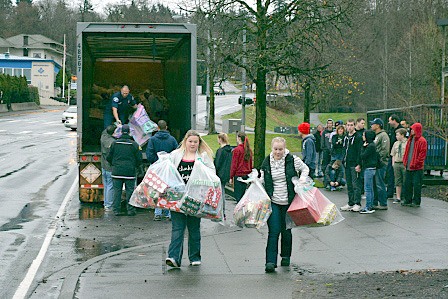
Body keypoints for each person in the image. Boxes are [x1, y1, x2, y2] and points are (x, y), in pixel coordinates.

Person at [165, 130, 215, 268]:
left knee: (193, 228)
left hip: (195, 198)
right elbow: (168, 171)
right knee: (177, 228)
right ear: (185, 141)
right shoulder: (175, 155)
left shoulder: (204, 157)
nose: (192, 144)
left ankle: (195, 256)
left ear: (199, 143)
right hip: (177, 197)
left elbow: (212, 174)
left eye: (195, 142)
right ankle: (173, 257)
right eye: (190, 141)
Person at [260, 137, 309, 273]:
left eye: (280, 149)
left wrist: (302, 180)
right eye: (275, 149)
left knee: (286, 230)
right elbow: (263, 178)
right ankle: (270, 261)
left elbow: (305, 169)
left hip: (289, 200)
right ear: (272, 148)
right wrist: (256, 182)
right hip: (274, 201)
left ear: (284, 148)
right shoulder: (267, 161)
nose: (278, 152)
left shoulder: (292, 160)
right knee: (274, 230)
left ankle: (285, 255)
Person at [146, 120, 179, 221]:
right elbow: (176, 153)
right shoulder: (172, 140)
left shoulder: (152, 139)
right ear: (167, 127)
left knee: (157, 188)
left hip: (157, 167)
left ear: (158, 128)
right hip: (168, 168)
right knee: (168, 188)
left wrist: (154, 162)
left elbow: (149, 153)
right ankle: (168, 212)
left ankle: (158, 212)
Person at [107, 124, 143, 216]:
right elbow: (139, 159)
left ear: (121, 132)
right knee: (130, 191)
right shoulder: (134, 145)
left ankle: (116, 210)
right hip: (129, 172)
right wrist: (135, 166)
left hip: (117, 171)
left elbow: (108, 157)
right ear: (130, 132)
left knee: (117, 191)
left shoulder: (115, 143)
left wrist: (114, 164)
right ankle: (130, 210)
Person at [401, 123, 427, 207]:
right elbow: (406, 153)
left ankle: (416, 201)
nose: (411, 131)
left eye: (413, 129)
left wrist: (416, 163)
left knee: (416, 185)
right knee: (407, 184)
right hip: (409, 166)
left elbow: (422, 155)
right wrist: (405, 162)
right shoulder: (410, 140)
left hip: (417, 168)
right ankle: (407, 199)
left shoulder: (422, 141)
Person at [340, 119, 363, 212]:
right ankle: (351, 202)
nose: (349, 127)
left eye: (351, 125)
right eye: (348, 125)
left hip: (354, 164)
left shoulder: (358, 137)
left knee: (355, 184)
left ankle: (357, 203)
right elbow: (344, 149)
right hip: (347, 163)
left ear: (354, 126)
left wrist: (359, 164)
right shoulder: (345, 137)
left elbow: (359, 151)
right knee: (349, 184)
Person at [370, 118, 390, 210]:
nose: (371, 125)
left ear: (378, 125)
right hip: (375, 163)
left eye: (373, 124)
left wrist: (377, 158)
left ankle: (383, 203)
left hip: (381, 164)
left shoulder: (383, 135)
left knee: (379, 183)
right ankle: (375, 202)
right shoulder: (376, 135)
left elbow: (385, 150)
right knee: (374, 183)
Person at [359, 130, 379, 214]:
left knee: (368, 188)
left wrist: (363, 147)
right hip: (372, 168)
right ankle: (370, 205)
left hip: (369, 168)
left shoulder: (369, 146)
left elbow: (363, 156)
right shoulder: (372, 145)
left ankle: (368, 206)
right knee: (370, 188)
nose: (363, 136)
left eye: (364, 135)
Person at [230, 132, 253, 202]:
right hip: (247, 175)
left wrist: (231, 176)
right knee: (244, 196)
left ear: (239, 138)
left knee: (238, 197)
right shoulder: (248, 150)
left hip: (239, 175)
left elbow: (234, 164)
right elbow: (250, 163)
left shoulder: (237, 150)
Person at [214, 133, 233, 220]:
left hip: (219, 174)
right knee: (223, 192)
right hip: (226, 174)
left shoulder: (220, 151)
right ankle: (223, 212)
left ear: (220, 139)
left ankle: (221, 212)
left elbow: (217, 163)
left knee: (221, 194)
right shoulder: (230, 150)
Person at [386, 114, 403, 199]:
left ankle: (399, 193)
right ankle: (390, 192)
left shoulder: (401, 130)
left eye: (390, 120)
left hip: (398, 156)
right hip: (391, 154)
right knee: (390, 174)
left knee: (398, 175)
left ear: (394, 120)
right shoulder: (391, 130)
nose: (389, 122)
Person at [100, 124, 116, 211]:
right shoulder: (112, 142)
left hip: (103, 165)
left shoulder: (103, 137)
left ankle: (106, 203)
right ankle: (109, 205)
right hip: (110, 167)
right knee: (110, 186)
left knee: (106, 185)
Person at [390, 128, 408, 204]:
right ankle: (398, 197)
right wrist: (393, 163)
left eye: (397, 135)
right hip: (397, 163)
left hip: (404, 163)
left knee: (405, 180)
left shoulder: (407, 143)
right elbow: (393, 154)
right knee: (397, 181)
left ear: (402, 135)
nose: (396, 136)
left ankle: (405, 196)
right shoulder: (396, 143)